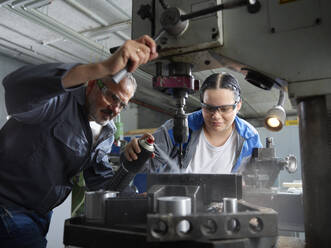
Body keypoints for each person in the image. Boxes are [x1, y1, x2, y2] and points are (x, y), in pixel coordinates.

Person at [0, 35, 158, 248]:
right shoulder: (57, 101)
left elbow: (101, 183)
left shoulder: (105, 133)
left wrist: (134, 188)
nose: (115, 109)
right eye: (112, 97)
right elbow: (16, 86)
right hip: (8, 204)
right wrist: (101, 67)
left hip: (40, 214)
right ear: (92, 83)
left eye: (122, 105)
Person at [124, 72, 262, 191]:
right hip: (177, 207)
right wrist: (134, 153)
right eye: (208, 108)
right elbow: (145, 165)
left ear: (238, 106)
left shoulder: (250, 137)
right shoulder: (179, 126)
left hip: (224, 210)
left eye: (224, 109)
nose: (216, 116)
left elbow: (260, 181)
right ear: (202, 103)